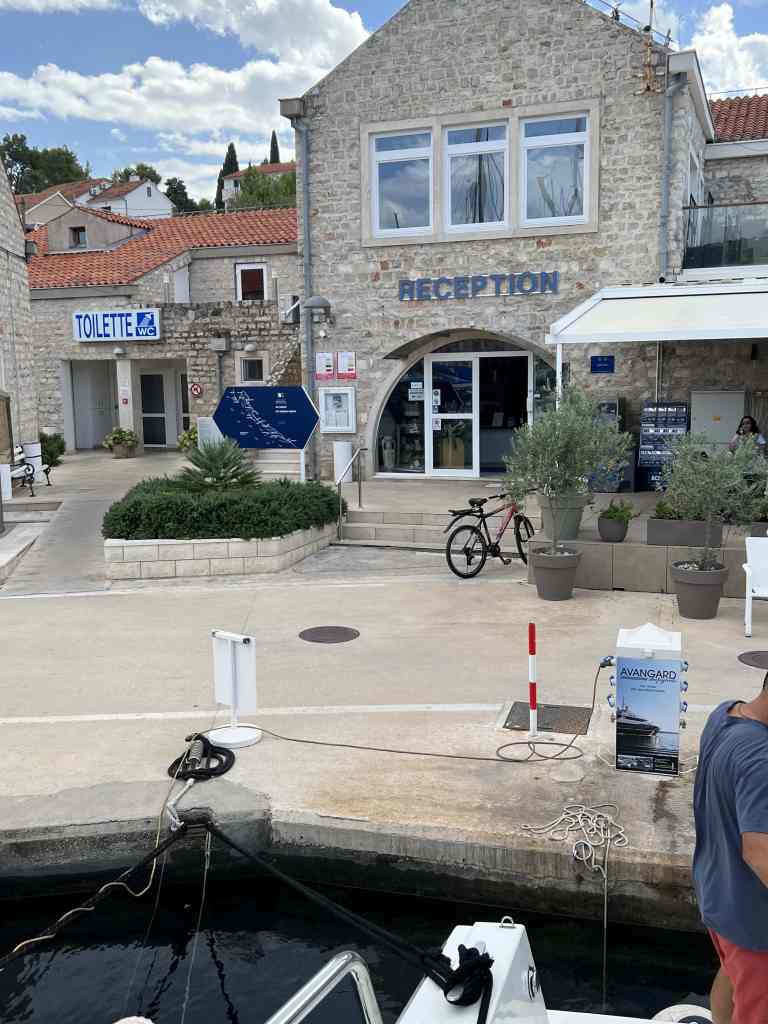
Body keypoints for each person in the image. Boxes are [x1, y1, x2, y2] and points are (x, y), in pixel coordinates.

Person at [693, 679, 768, 1024]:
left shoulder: (724, 714)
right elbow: (758, 852)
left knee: (731, 973)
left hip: (718, 894)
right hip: (755, 922)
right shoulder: (761, 758)